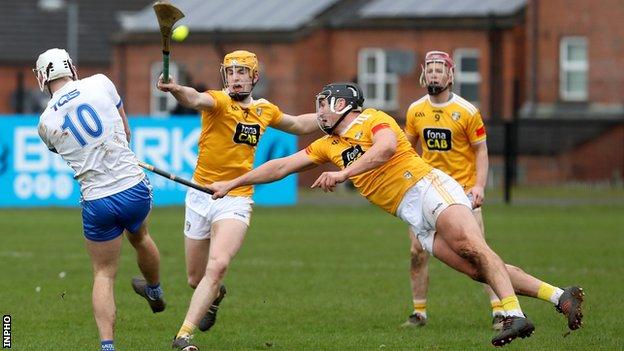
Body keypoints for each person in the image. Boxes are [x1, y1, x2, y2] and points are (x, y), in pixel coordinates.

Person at [207, 82, 585, 348]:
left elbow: (386, 150)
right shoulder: (327, 144)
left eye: (325, 102)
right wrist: (233, 183)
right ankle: (559, 296)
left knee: (473, 246)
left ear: (344, 104)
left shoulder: (372, 118)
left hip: (427, 188)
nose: (318, 109)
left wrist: (343, 173)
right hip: (412, 215)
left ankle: (512, 315)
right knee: (476, 267)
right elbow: (280, 166)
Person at [156, 50, 319, 350]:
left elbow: (297, 124)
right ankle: (215, 297)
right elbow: (194, 98)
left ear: (255, 76)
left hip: (236, 197)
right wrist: (176, 88)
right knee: (196, 278)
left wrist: (333, 117)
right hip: (200, 195)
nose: (235, 77)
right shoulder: (218, 101)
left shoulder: (265, 110)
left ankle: (183, 336)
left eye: (242, 72)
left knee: (216, 267)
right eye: (230, 72)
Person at [34, 48, 165, 351]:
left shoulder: (45, 122)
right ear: (71, 68)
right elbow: (126, 131)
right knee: (141, 235)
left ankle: (107, 346)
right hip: (133, 188)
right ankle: (155, 292)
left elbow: (68, 149)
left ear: (42, 77)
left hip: (97, 201)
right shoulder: (100, 82)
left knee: (104, 273)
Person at [401, 50, 503, 329]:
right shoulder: (415, 110)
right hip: (425, 191)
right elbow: (406, 149)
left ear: (450, 74)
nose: (434, 74)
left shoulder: (467, 111)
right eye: (430, 69)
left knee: (478, 252)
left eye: (439, 69)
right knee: (416, 252)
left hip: (462, 193)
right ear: (423, 73)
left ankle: (500, 311)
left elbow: (481, 151)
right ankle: (419, 313)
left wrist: (479, 186)